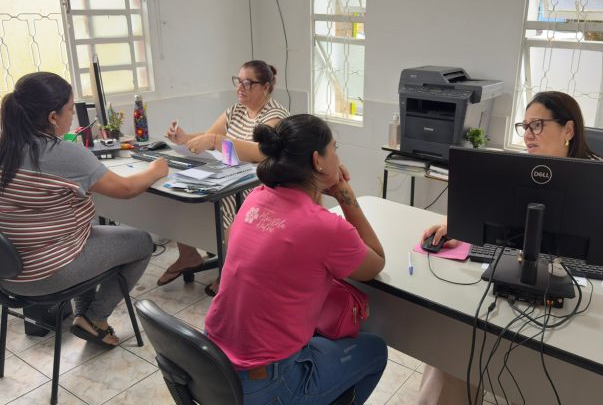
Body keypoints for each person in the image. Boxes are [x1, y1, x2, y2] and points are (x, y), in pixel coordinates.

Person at [417, 91, 603, 404]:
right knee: (457, 341)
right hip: (517, 277)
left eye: (537, 125)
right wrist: (458, 228)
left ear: (568, 130)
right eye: (524, 126)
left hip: (578, 295)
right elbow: (489, 217)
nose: (528, 135)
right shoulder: (521, 169)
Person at [205, 114, 388, 404]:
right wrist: (344, 193)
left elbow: (301, 219)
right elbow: (375, 262)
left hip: (215, 365)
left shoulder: (255, 197)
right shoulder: (326, 228)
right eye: (334, 148)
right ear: (318, 160)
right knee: (374, 350)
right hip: (269, 382)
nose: (337, 157)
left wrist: (317, 187)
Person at [0, 72, 168, 347]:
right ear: (53, 117)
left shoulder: (6, 146)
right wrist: (155, 169)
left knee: (87, 235)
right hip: (46, 274)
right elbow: (125, 190)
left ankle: (84, 318)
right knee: (141, 242)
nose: (72, 118)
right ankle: (95, 318)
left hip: (8, 276)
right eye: (69, 109)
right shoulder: (61, 152)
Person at [157, 60, 289, 294]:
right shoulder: (235, 110)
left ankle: (230, 269)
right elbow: (210, 136)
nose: (240, 87)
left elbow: (260, 152)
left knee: (222, 200)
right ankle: (188, 255)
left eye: (248, 83)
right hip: (230, 173)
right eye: (238, 81)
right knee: (180, 189)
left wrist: (217, 142)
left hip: (259, 182)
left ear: (265, 87)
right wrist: (184, 138)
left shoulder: (275, 115)